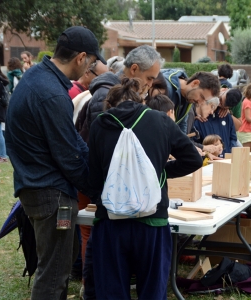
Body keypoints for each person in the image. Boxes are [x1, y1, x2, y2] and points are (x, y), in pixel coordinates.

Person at [5, 26, 106, 299]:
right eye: (92, 63)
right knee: (54, 273)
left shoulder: (38, 77)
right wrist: (101, 191)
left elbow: (72, 142)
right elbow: (70, 156)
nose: (90, 68)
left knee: (57, 263)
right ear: (81, 57)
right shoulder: (50, 93)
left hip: (37, 186)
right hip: (51, 195)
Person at [87, 77, 202, 299]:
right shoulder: (161, 121)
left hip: (111, 223)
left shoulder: (100, 124)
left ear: (110, 105)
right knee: (152, 290)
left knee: (112, 291)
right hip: (153, 221)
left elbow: (93, 179)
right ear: (141, 101)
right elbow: (193, 160)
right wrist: (158, 172)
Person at [162, 69, 220, 133]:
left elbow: (182, 126)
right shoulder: (165, 88)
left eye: (204, 100)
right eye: (201, 97)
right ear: (195, 83)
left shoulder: (188, 98)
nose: (200, 103)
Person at [194, 88, 241, 157]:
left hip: (226, 158)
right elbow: (194, 141)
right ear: (223, 90)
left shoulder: (226, 115)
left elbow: (233, 137)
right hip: (207, 158)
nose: (219, 104)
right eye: (221, 100)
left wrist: (230, 153)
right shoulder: (200, 116)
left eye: (223, 105)